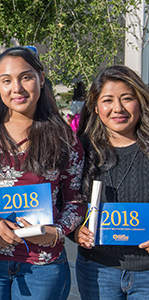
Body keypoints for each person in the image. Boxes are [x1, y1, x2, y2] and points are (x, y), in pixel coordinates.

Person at [0, 46, 86, 300]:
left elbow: (75, 200)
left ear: (41, 78)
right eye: (6, 80)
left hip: (44, 266)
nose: (17, 88)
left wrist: (56, 231)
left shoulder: (63, 138)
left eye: (26, 77)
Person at [75, 66, 149, 299]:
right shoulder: (81, 150)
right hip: (96, 270)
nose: (118, 108)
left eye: (127, 98)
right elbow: (65, 201)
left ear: (141, 102)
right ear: (96, 107)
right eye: (108, 100)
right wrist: (75, 232)